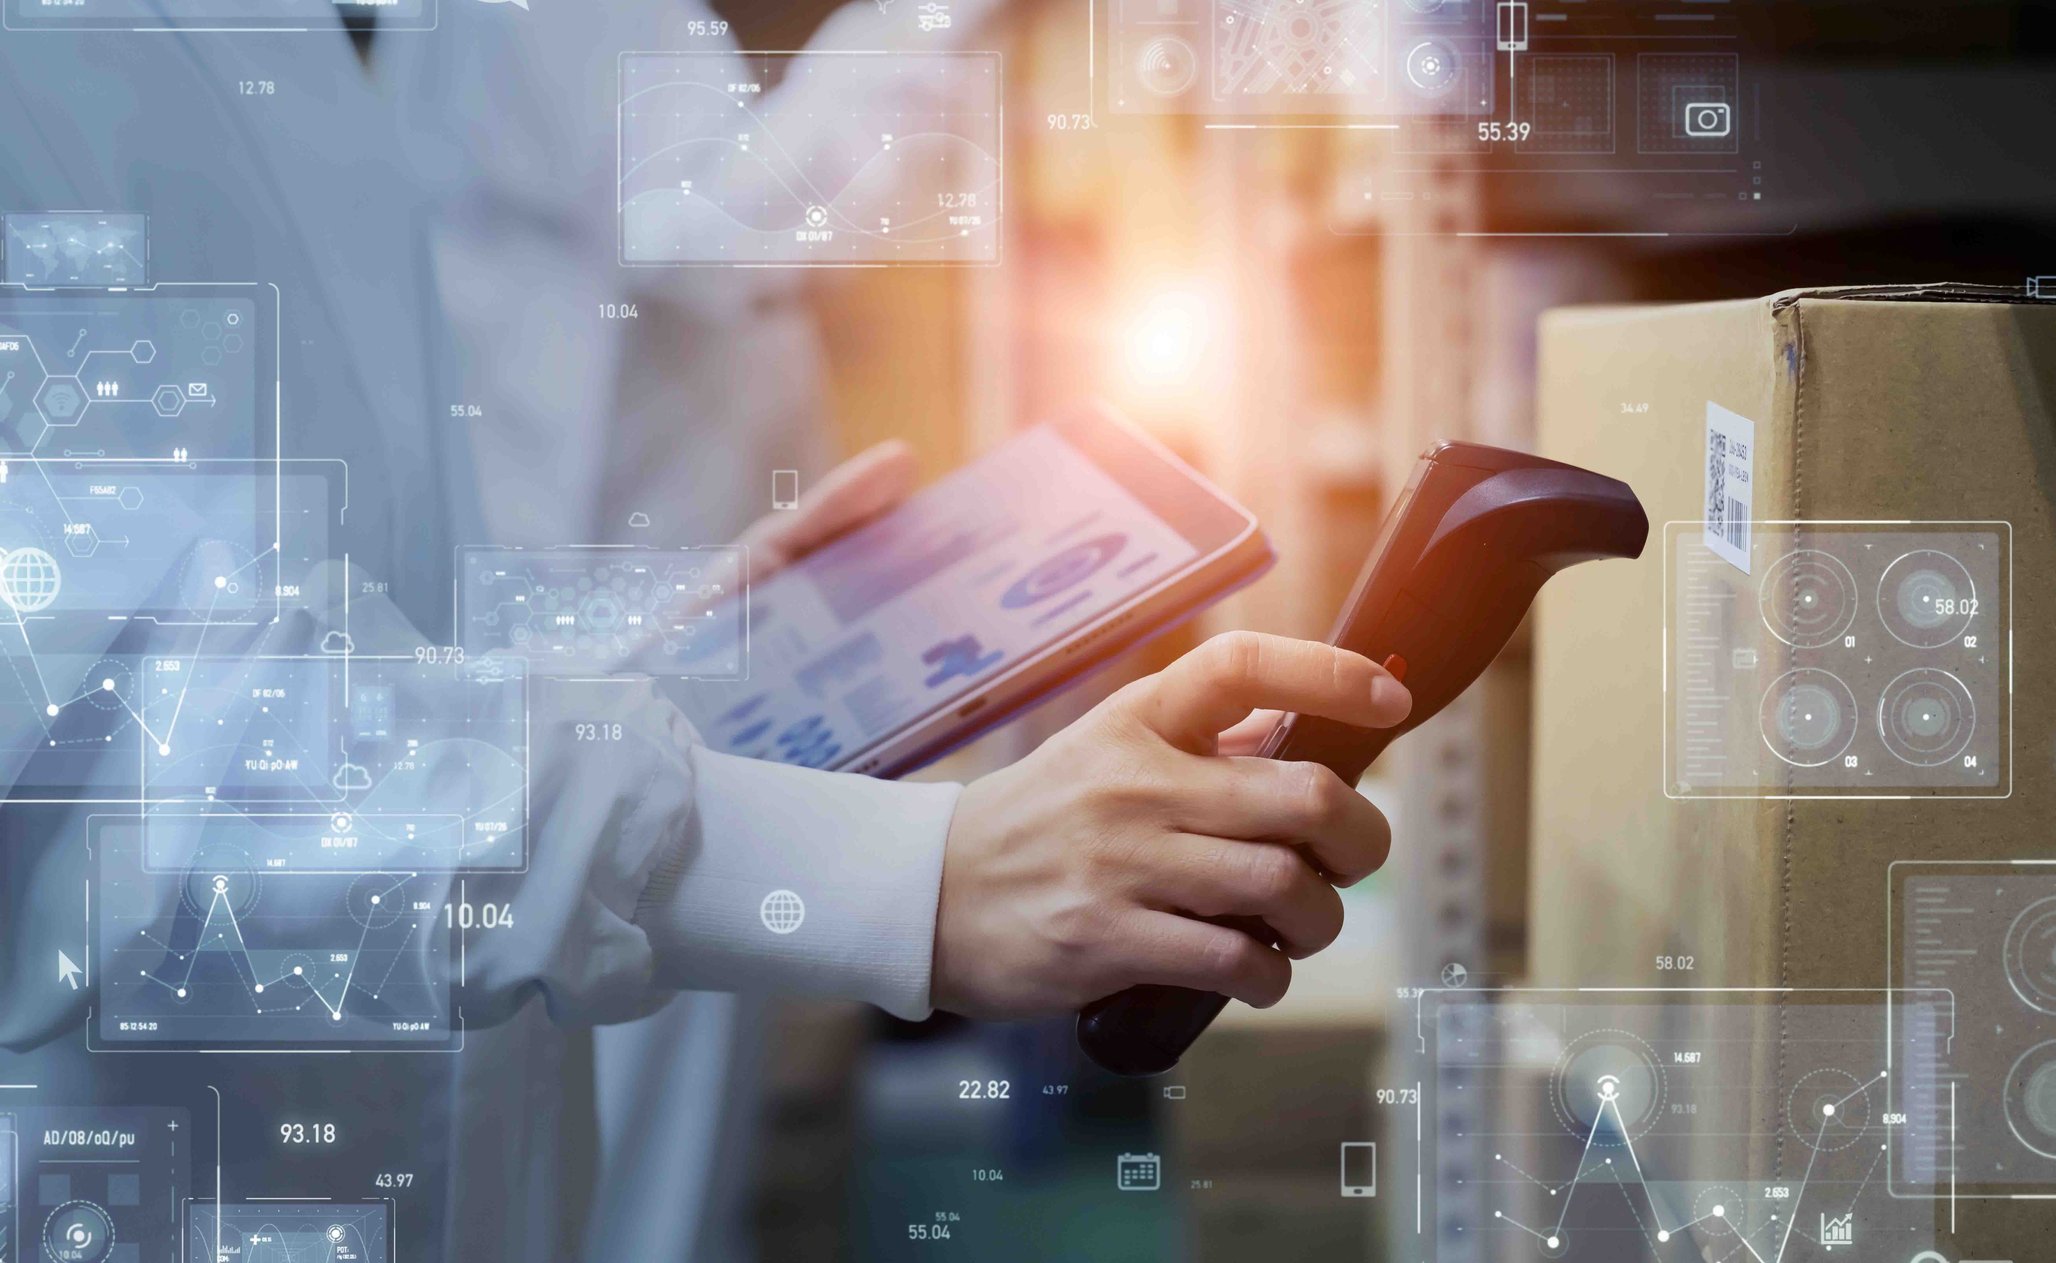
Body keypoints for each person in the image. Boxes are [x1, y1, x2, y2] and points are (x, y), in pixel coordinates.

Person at [0, 16, 1407, 1261]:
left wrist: (636, 664)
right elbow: (121, 762)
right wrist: (916, 874)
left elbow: (285, 606)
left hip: (518, 883)